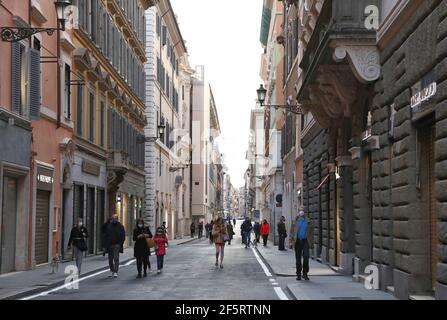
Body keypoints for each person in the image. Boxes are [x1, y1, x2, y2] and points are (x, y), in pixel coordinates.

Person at [291, 207, 313, 281]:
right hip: (297, 241)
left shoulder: (308, 221)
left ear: (304, 212)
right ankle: (298, 274)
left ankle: (305, 273)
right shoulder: (295, 221)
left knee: (306, 257)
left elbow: (311, 233)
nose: (301, 212)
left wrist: (311, 242)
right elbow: (292, 232)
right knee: (298, 259)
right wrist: (291, 241)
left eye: (303, 210)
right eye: (300, 210)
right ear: (298, 212)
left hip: (305, 241)